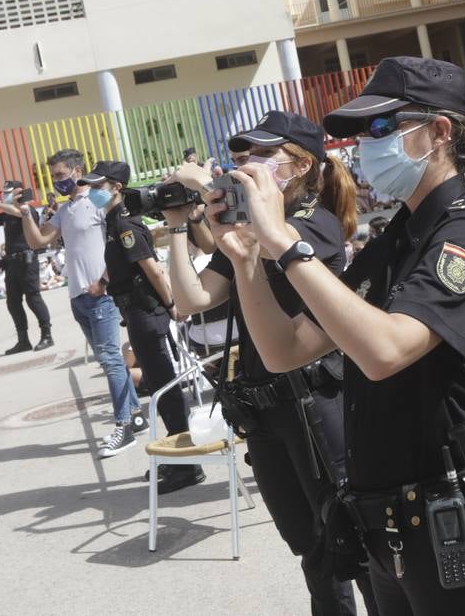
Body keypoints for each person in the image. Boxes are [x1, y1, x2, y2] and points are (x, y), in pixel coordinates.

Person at [209, 56, 465, 613]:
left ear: (438, 133)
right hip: (385, 522)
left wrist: (284, 243)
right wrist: (244, 262)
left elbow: (387, 351)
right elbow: (286, 349)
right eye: (363, 132)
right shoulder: (396, 239)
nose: (366, 143)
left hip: (449, 517)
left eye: (382, 127)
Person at [167, 112, 376, 615]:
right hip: (266, 409)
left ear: (301, 165)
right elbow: (191, 298)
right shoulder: (247, 232)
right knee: (309, 546)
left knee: (352, 537)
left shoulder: (314, 224)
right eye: (239, 160)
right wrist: (178, 224)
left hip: (315, 400)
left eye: (261, 157)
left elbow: (267, 250)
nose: (246, 168)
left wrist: (214, 200)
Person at [81, 160, 203, 494]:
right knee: (161, 386)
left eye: (98, 186)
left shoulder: (125, 224)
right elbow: (120, 262)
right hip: (135, 310)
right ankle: (182, 456)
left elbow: (151, 269)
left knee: (164, 388)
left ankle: (188, 464)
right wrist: (105, 282)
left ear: (117, 188)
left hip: (146, 312)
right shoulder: (112, 222)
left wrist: (172, 305)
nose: (92, 192)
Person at [17, 149, 142, 458]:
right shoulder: (65, 209)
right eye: (55, 176)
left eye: (61, 175)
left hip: (101, 296)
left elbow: (118, 246)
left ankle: (123, 427)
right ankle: (136, 415)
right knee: (108, 359)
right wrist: (25, 215)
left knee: (112, 360)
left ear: (76, 171)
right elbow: (38, 242)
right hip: (78, 297)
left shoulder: (98, 203)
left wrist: (104, 281)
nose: (57, 181)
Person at [0, 180, 54, 354]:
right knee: (13, 302)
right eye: (3, 193)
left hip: (26, 260)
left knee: (33, 298)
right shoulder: (5, 213)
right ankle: (23, 340)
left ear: (18, 192)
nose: (5, 196)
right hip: (11, 262)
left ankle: (47, 335)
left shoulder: (26, 209)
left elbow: (19, 212)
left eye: (8, 192)